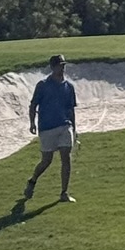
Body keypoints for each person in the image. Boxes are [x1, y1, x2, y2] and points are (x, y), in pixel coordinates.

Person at [23, 54, 78, 203]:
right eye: (60, 65)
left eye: (64, 65)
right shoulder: (43, 85)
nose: (63, 68)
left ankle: (64, 193)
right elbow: (33, 105)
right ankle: (33, 180)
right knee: (47, 160)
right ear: (53, 67)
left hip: (65, 125)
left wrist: (74, 128)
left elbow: (71, 110)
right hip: (47, 127)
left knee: (66, 157)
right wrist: (32, 123)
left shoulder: (69, 87)